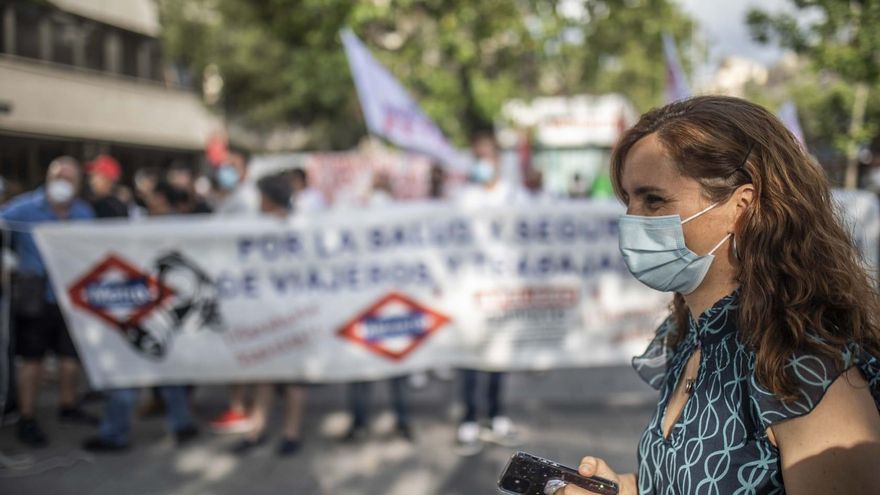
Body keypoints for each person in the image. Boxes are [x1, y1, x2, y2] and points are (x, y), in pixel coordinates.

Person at [557, 96, 880, 494]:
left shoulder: (804, 366)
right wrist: (624, 488)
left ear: (741, 207)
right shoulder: (694, 337)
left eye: (653, 200)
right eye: (629, 200)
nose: (632, 220)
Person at [83, 180, 199, 452]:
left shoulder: (159, 227)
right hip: (160, 307)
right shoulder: (166, 224)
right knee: (169, 367)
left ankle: (115, 433)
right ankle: (181, 424)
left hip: (150, 307)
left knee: (128, 369)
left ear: (159, 197)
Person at [0, 157, 98, 447]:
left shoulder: (83, 212)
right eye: (58, 176)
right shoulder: (24, 208)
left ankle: (68, 405)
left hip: (71, 296)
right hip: (35, 298)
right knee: (31, 360)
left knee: (70, 359)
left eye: (70, 178)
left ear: (78, 184)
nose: (63, 183)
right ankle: (27, 417)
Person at [453, 131, 526, 455]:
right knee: (470, 356)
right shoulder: (464, 198)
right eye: (478, 158)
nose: (484, 164)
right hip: (471, 291)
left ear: (498, 160)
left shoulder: (515, 196)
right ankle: (469, 418)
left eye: (488, 157)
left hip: (504, 291)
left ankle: (495, 414)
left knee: (498, 355)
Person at [232, 175, 308, 457]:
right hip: (265, 314)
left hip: (293, 316)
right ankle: (257, 429)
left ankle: (291, 432)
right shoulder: (258, 226)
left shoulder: (296, 227)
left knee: (293, 381)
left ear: (267, 198)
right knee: (265, 377)